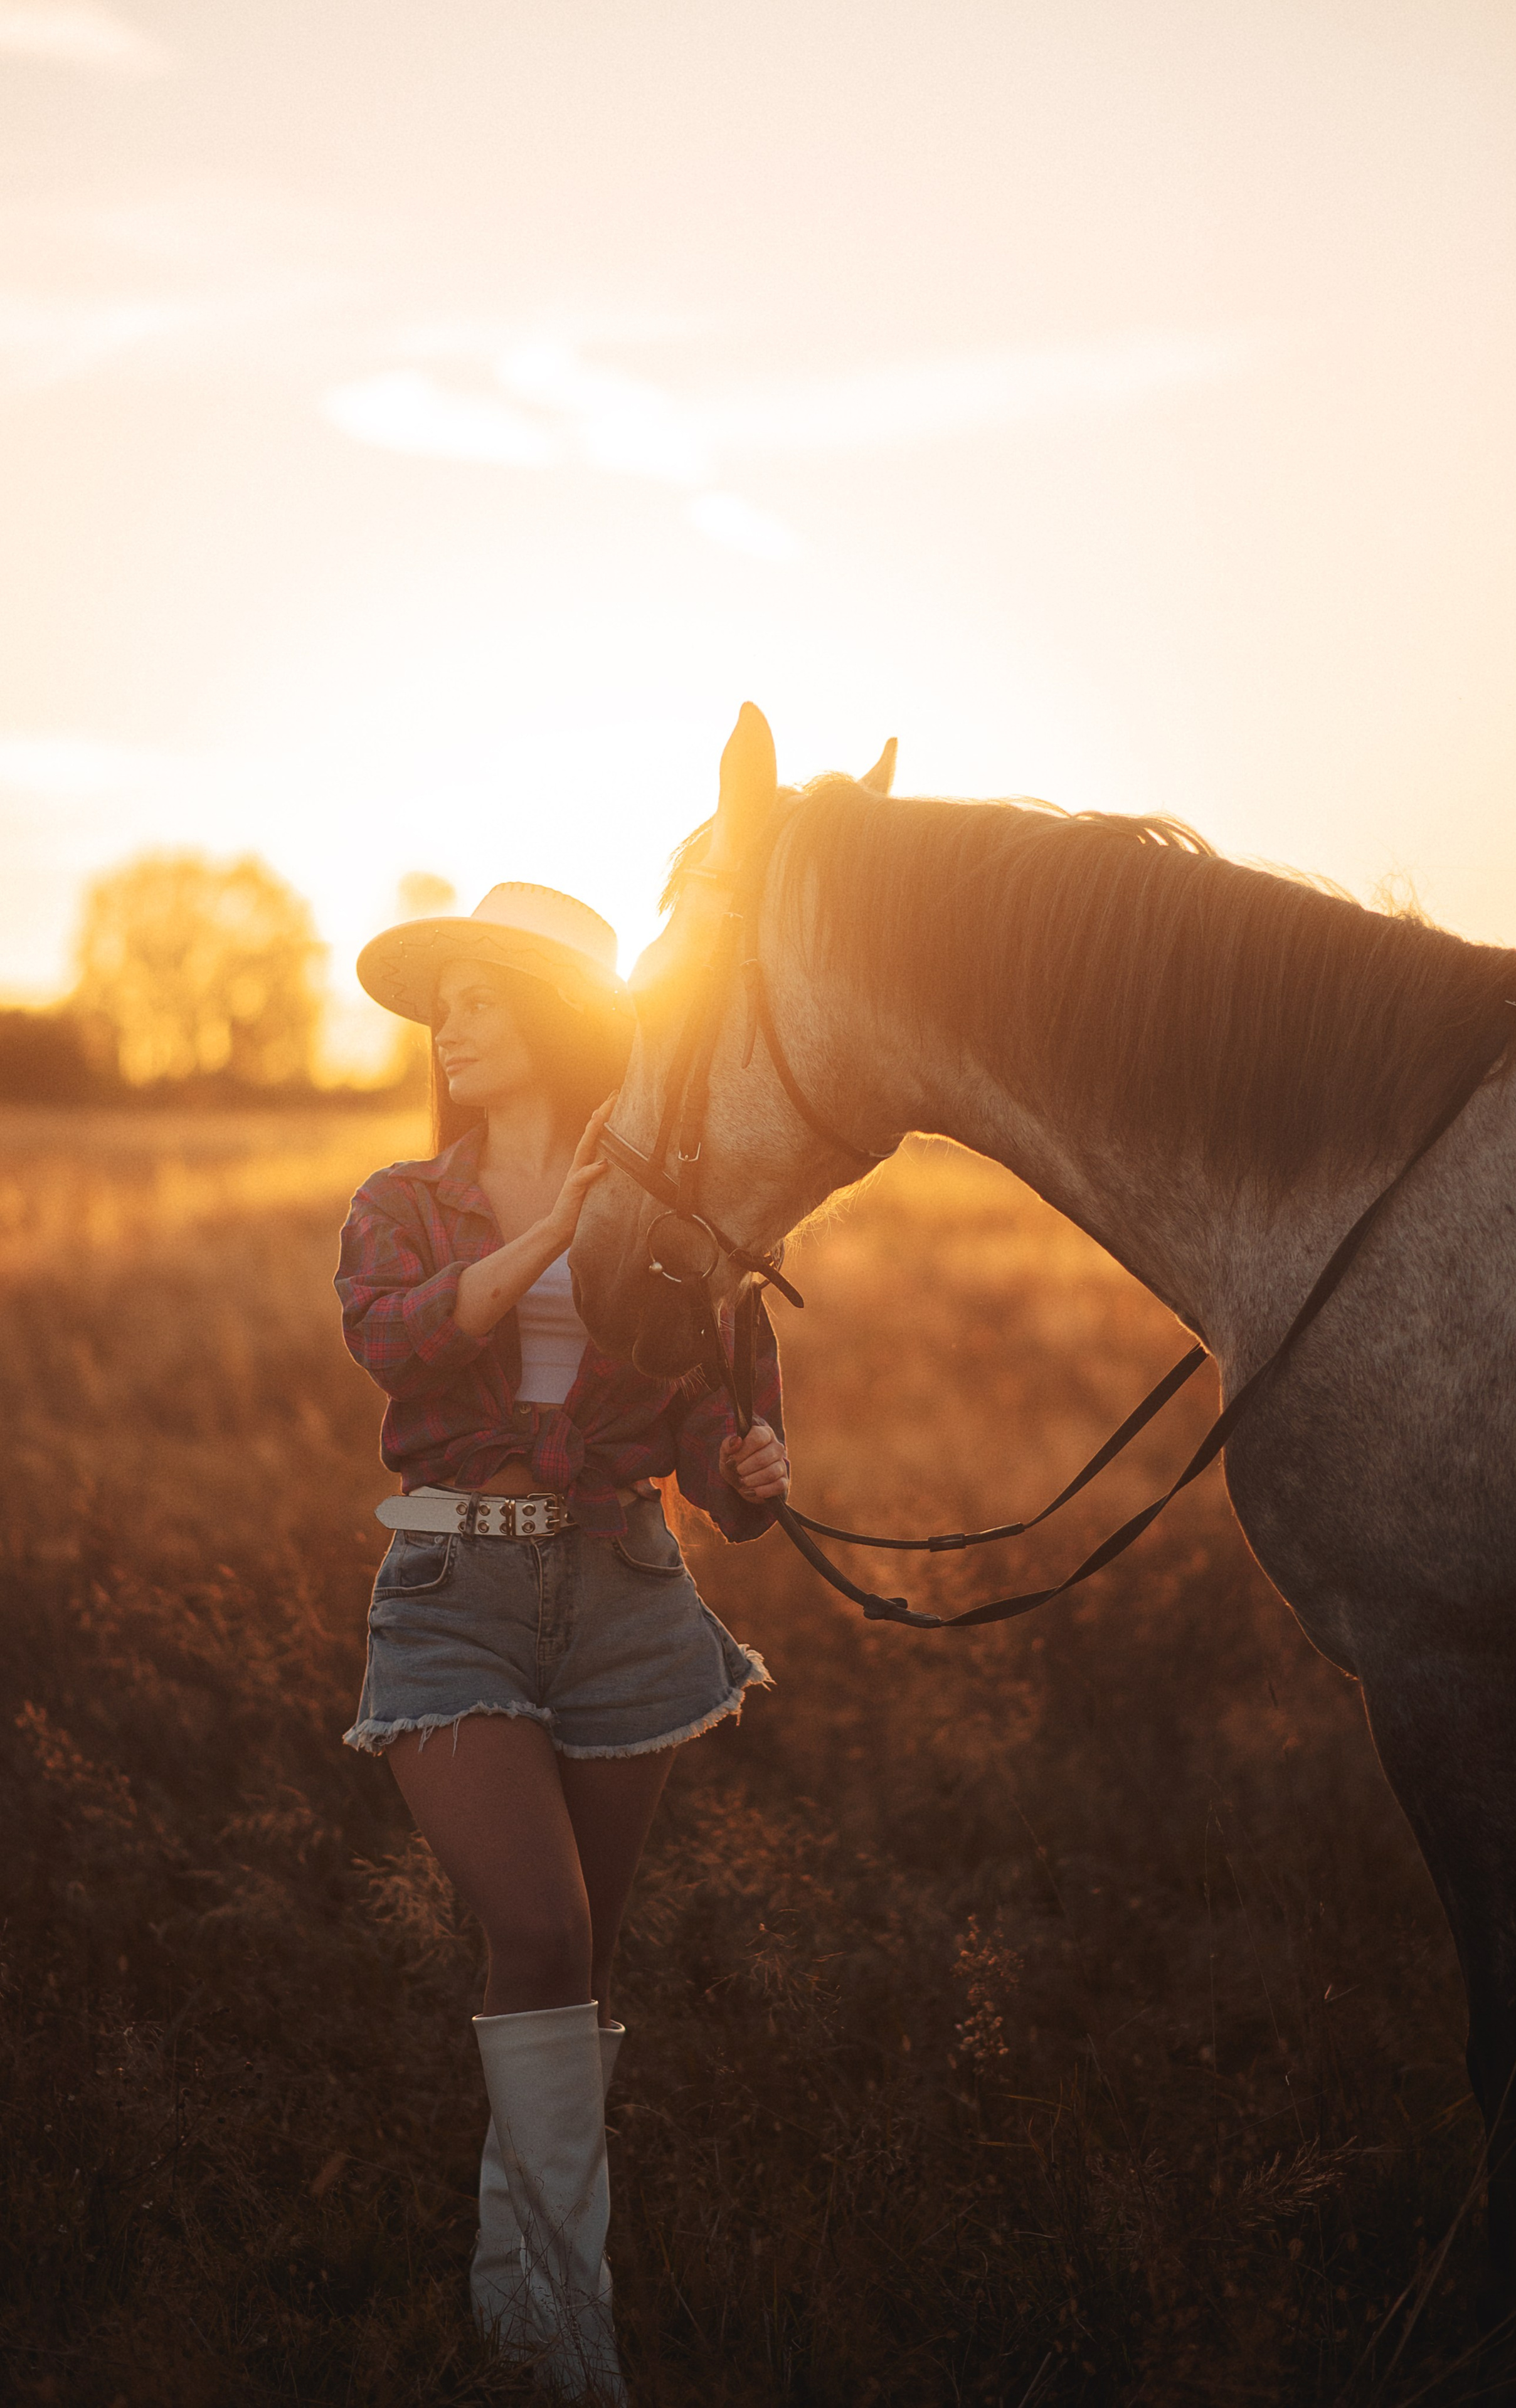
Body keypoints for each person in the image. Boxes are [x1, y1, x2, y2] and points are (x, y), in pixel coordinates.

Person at [336, 883, 787, 2401]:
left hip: (622, 1600)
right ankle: (574, 2334)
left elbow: (714, 1437)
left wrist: (746, 1467)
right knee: (535, 1930)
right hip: (454, 1594)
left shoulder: (670, 1225)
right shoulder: (402, 1199)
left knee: (572, 1960)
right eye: (442, 1000)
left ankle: (516, 2304)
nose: (450, 1025)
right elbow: (397, 1338)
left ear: (550, 1018)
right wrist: (556, 1224)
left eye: (478, 995)